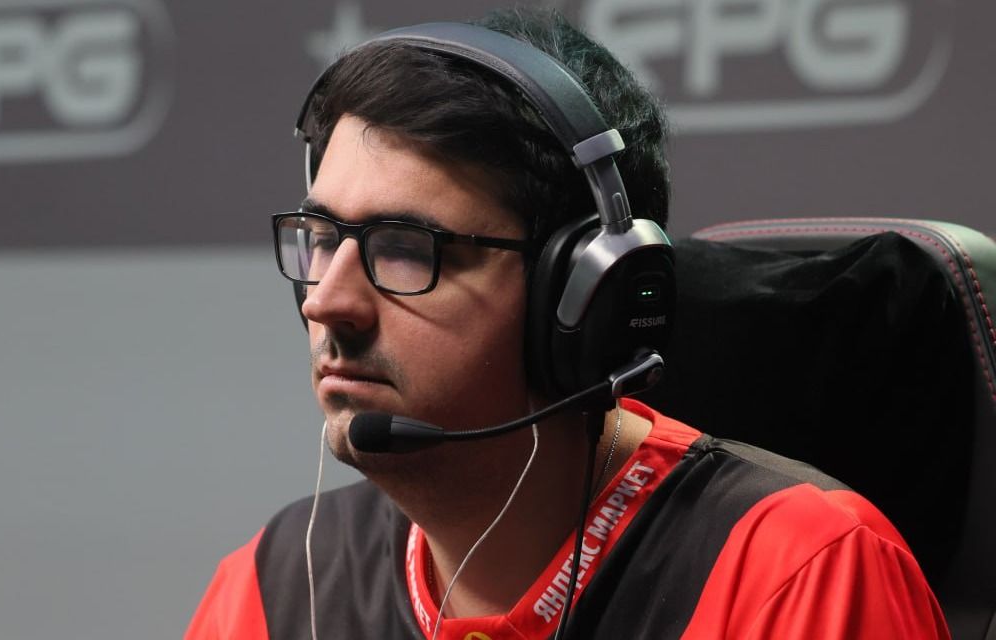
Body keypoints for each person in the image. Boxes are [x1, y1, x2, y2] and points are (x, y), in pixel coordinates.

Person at [186, 7, 949, 639]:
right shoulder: (272, 592)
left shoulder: (799, 578)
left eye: (406, 248)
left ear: (583, 294)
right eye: (323, 238)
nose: (326, 302)